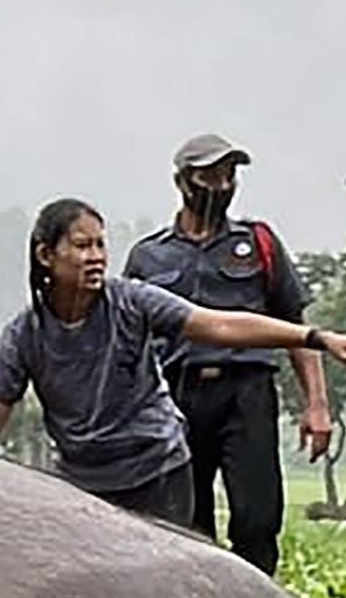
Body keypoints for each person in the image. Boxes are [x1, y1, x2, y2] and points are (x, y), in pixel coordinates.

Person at [0, 199, 346, 524]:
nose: (96, 257)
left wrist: (317, 337)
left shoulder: (131, 301)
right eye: (81, 246)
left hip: (157, 471)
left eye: (100, 245)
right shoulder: (25, 334)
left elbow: (220, 326)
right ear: (45, 256)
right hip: (82, 486)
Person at [122, 132, 333, 574]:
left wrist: (317, 405)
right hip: (176, 398)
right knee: (183, 524)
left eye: (229, 174)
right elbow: (127, 342)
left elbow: (296, 327)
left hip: (247, 393)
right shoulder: (149, 256)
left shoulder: (259, 243)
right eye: (209, 175)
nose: (221, 184)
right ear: (182, 182)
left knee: (257, 519)